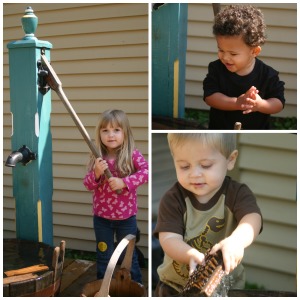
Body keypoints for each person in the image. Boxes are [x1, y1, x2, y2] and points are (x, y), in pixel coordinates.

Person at [153, 133, 262, 296]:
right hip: (175, 287)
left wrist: (236, 242)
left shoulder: (237, 194)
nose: (195, 174)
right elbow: (168, 238)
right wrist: (188, 254)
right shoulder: (173, 199)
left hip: (225, 286)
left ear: (230, 160)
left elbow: (252, 220)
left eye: (205, 165)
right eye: (184, 166)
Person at [83, 109, 148, 284]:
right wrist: (96, 173)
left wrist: (124, 182)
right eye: (105, 130)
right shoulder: (97, 158)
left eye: (116, 130)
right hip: (101, 218)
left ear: (125, 132)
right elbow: (88, 184)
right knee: (104, 254)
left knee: (129, 255)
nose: (111, 135)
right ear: (100, 134)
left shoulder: (131, 154)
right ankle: (104, 287)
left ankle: (135, 286)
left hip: (126, 218)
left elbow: (146, 172)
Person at [203, 5, 285, 129]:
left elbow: (278, 103)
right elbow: (210, 97)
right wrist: (237, 103)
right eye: (221, 50)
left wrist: (260, 104)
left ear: (254, 51)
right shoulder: (216, 68)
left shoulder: (268, 75)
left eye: (233, 53)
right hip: (221, 131)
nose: (225, 57)